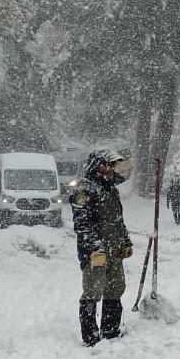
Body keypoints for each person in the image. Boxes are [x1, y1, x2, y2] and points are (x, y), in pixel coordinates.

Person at [70, 149, 134, 347]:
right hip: (95, 254)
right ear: (96, 165)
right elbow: (83, 224)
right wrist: (94, 249)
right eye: (106, 164)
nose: (109, 169)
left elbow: (116, 220)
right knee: (92, 291)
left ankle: (111, 330)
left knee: (115, 289)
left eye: (112, 165)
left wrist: (126, 241)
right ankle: (90, 336)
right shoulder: (84, 189)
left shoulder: (111, 189)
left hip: (115, 251)